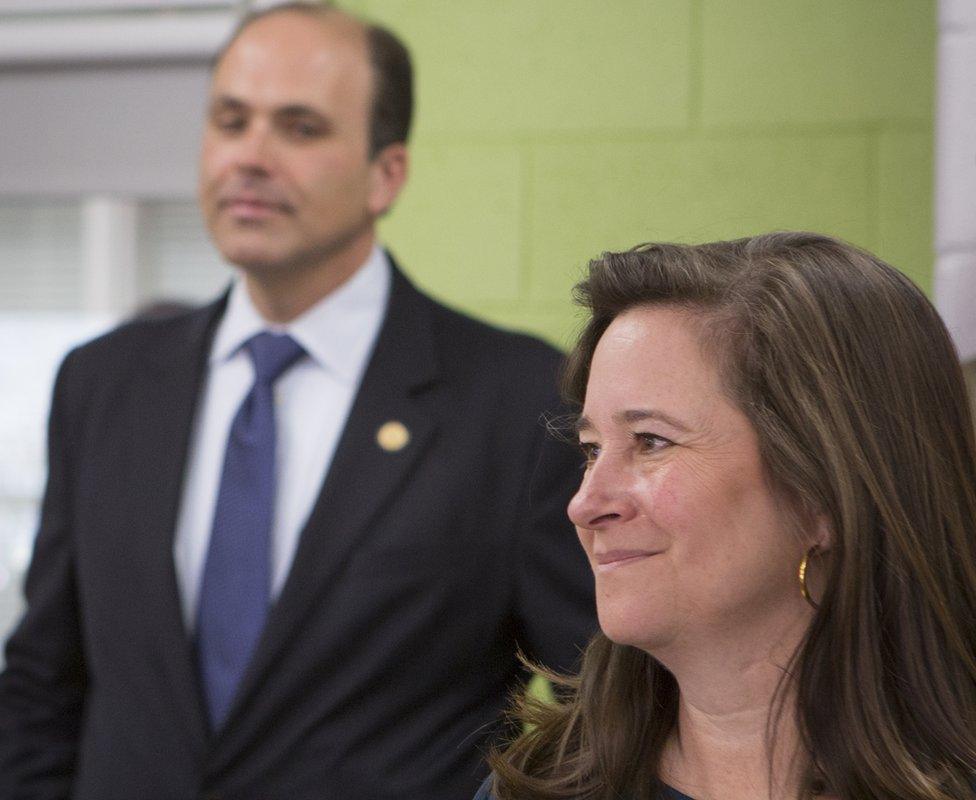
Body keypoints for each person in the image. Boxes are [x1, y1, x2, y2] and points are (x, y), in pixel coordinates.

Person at [0, 4, 595, 799]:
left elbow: (598, 701)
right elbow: (44, 681)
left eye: (300, 128)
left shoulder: (516, 399)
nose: (250, 156)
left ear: (386, 173)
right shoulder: (102, 383)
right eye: (230, 120)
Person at [477, 232, 976, 800]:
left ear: (827, 493)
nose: (585, 504)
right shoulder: (533, 788)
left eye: (651, 442)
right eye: (592, 449)